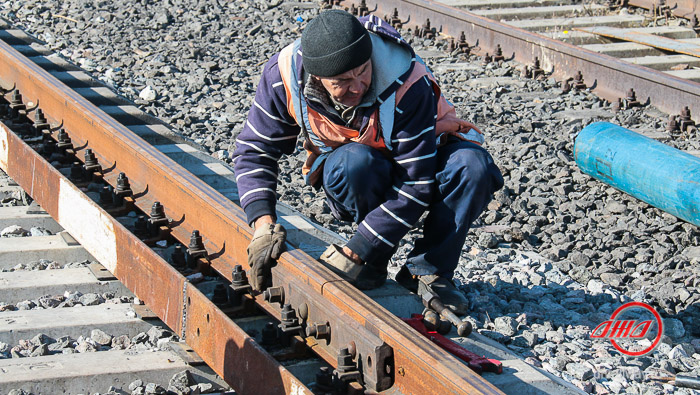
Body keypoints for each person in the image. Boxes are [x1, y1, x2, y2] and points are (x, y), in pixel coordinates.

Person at [233, 9, 503, 314]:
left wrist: (356, 248)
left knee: (471, 166)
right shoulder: (283, 77)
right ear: (317, 77)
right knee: (356, 163)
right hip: (357, 170)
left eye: (364, 71)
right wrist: (262, 223)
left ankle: (428, 271)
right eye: (343, 81)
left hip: (421, 158)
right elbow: (254, 149)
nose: (358, 86)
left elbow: (415, 182)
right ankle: (374, 263)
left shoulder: (408, 81)